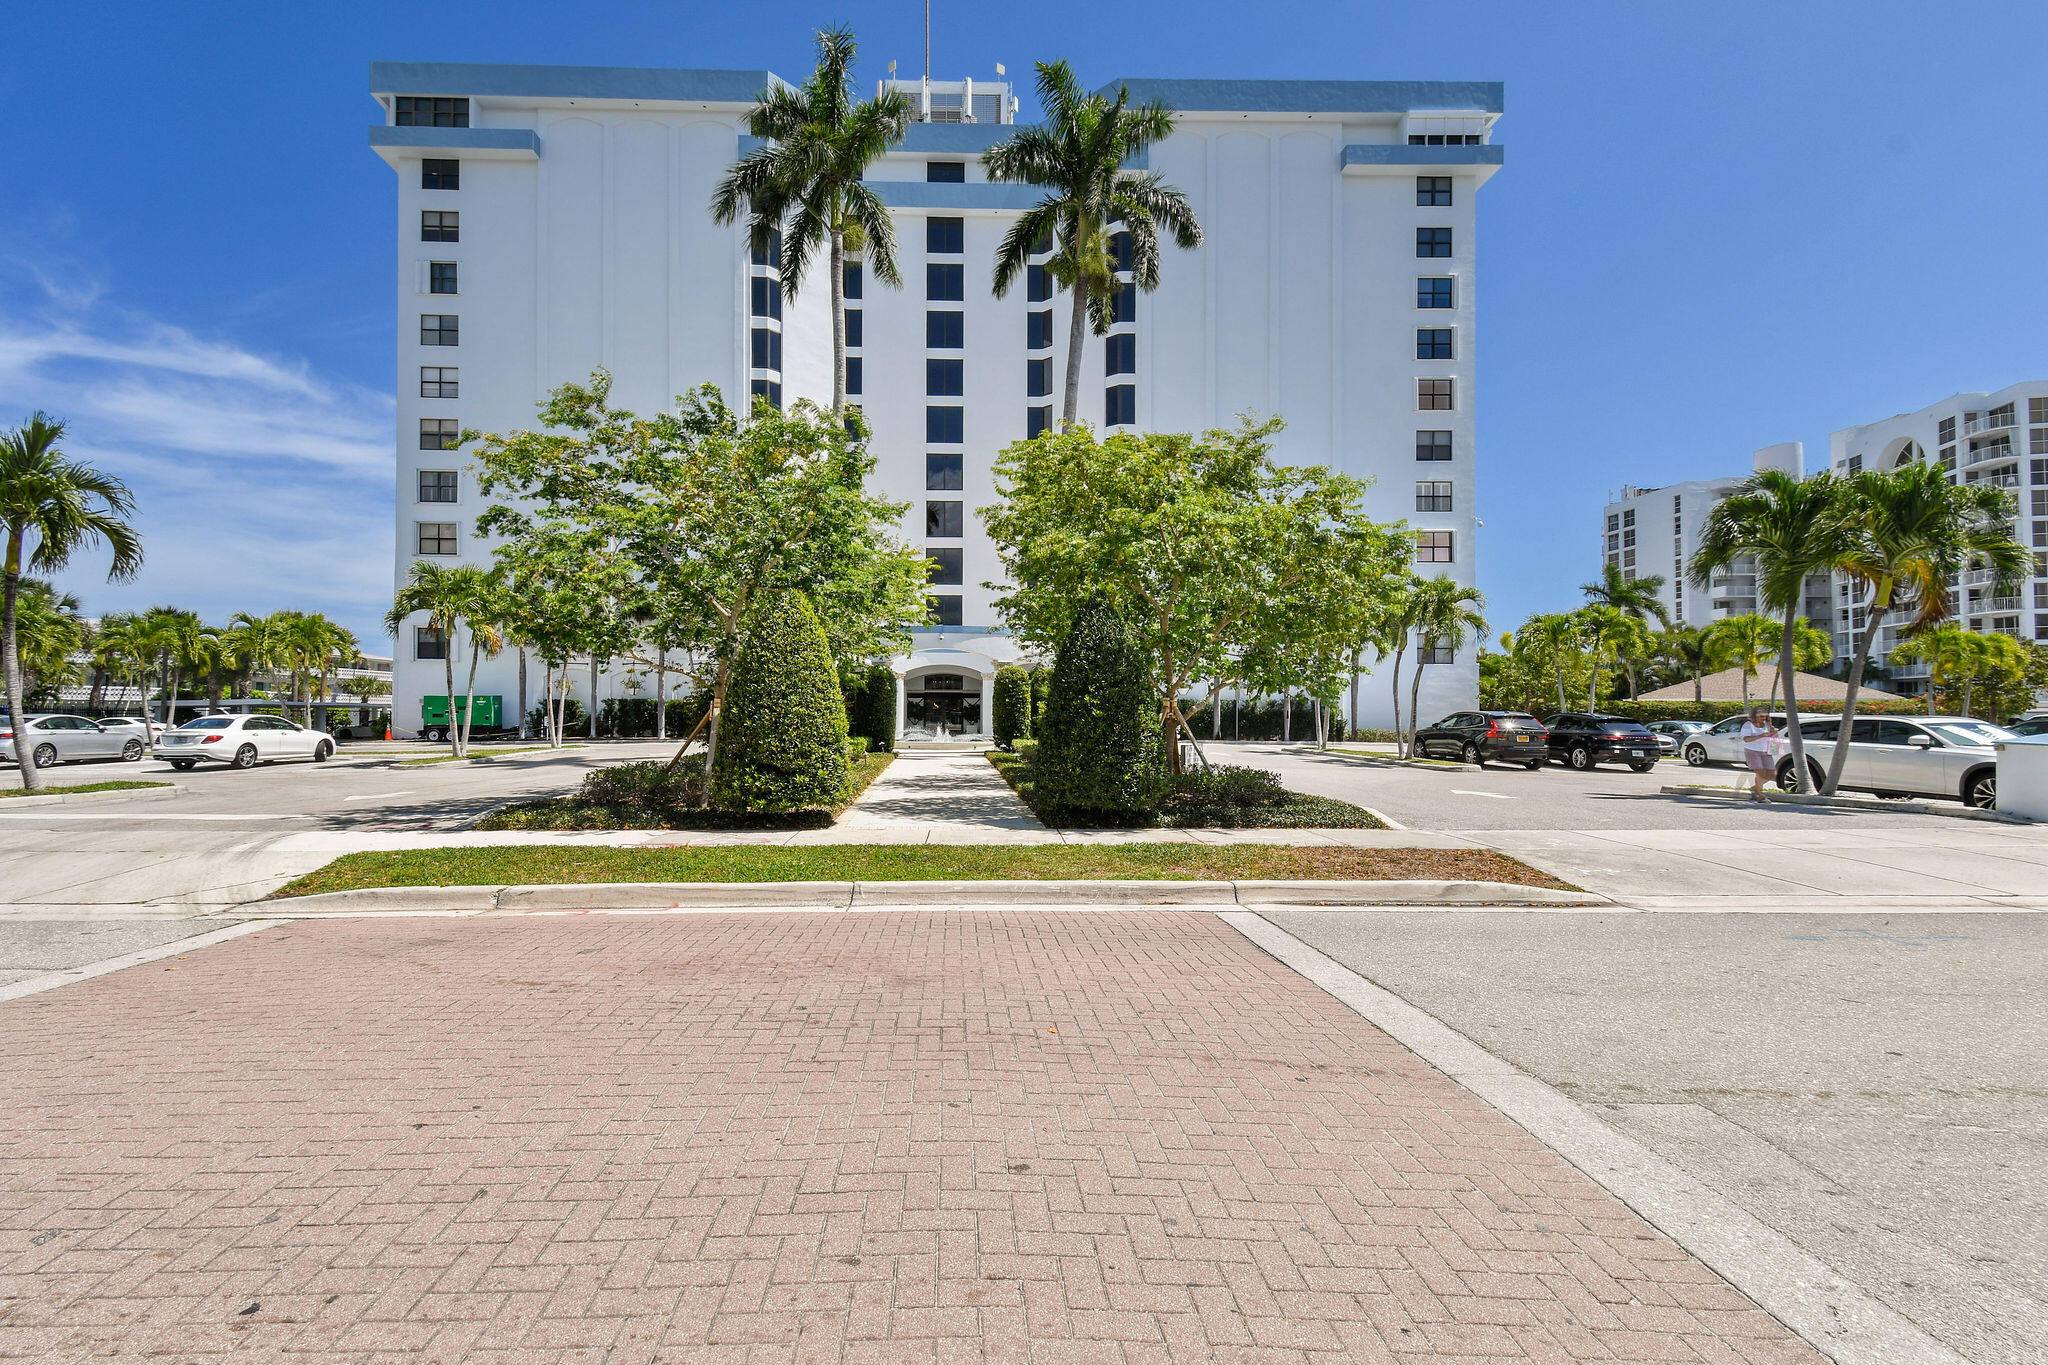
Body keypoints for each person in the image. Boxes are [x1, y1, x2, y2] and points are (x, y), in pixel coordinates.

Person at [1739, 704, 1778, 802]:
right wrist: (1761, 736)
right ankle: (1760, 795)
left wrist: (1770, 725)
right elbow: (1746, 739)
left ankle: (1755, 787)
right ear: (1754, 716)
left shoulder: (1766, 725)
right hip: (1752, 750)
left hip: (1765, 750)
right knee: (1760, 771)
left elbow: (1774, 734)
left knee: (1772, 773)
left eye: (1765, 716)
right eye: (1761, 716)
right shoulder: (1748, 725)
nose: (1763, 718)